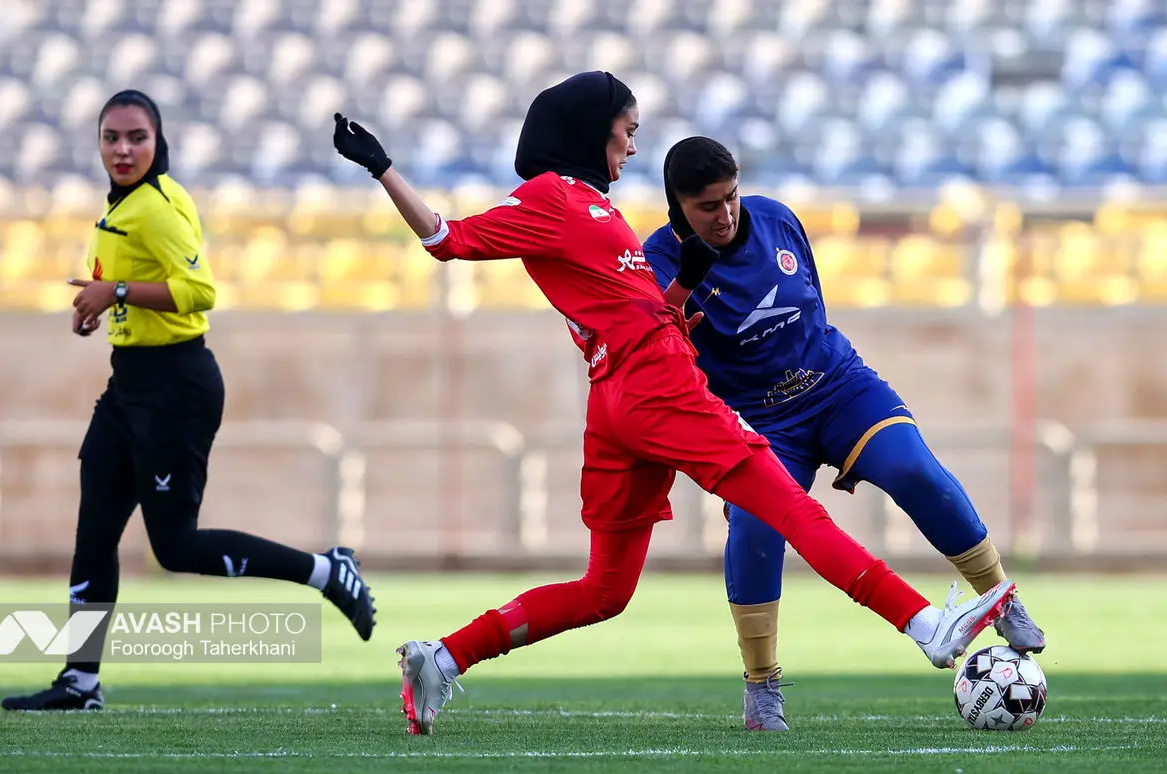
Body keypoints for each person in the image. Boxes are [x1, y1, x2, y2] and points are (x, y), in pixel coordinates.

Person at [331, 71, 1015, 737]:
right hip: (658, 385)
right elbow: (446, 240)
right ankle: (925, 624)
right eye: (625, 131)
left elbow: (637, 313)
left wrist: (682, 290)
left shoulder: (592, 205)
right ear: (588, 130)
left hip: (618, 396)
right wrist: (384, 168)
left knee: (605, 592)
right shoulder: (554, 199)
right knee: (788, 506)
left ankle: (442, 658)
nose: (632, 146)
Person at [643, 135, 1046, 732]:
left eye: (731, 197)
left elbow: (813, 307)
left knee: (914, 470)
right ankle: (761, 689)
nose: (726, 215)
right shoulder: (658, 262)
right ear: (678, 205)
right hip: (759, 418)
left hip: (837, 386)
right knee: (755, 527)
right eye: (709, 206)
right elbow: (661, 354)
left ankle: (1003, 601)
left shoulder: (778, 219)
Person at [1, 90, 376, 712]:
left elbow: (199, 291)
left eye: (136, 137)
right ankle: (81, 681)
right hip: (132, 385)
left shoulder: (156, 208)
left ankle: (326, 572)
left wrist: (114, 289)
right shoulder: (124, 205)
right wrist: (104, 304)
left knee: (174, 547)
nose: (123, 149)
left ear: (158, 140)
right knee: (94, 534)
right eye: (111, 138)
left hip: (175, 389)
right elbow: (136, 289)